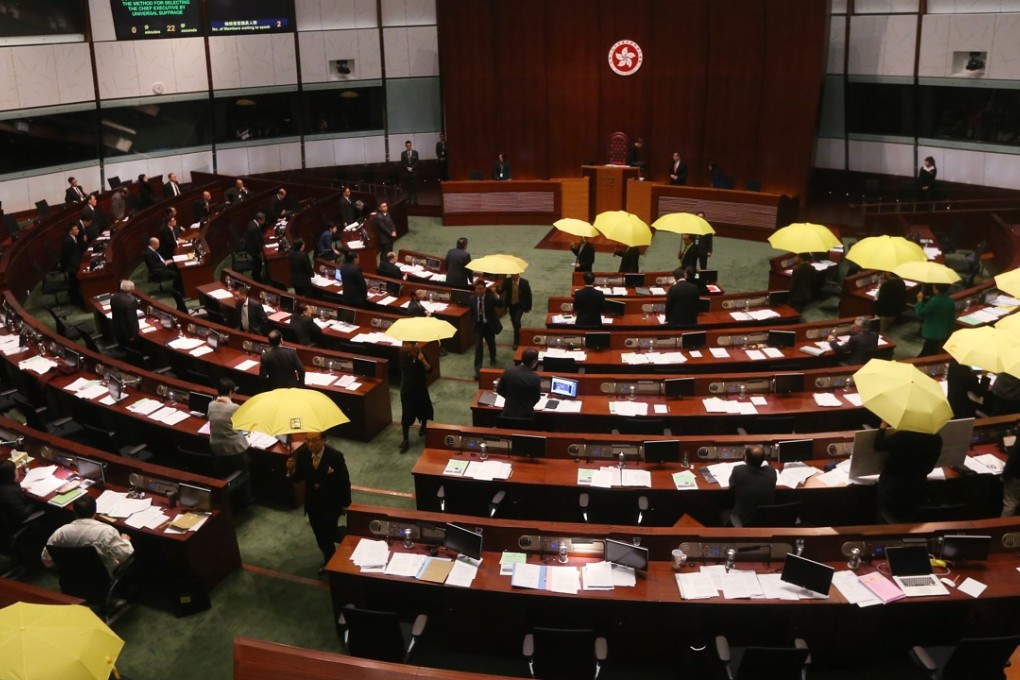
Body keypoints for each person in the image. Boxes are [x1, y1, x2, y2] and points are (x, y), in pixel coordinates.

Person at [286, 432, 351, 571]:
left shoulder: (335, 456)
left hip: (331, 503)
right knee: (320, 536)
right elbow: (298, 478)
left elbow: (344, 481)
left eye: (314, 440)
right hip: (313, 504)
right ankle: (329, 560)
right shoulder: (303, 454)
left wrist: (346, 503)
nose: (310, 444)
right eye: (307, 440)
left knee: (331, 532)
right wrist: (291, 469)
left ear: (323, 441)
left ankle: (349, 537)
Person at [41, 495, 133, 577]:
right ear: (95, 511)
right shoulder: (107, 531)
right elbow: (126, 554)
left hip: (72, 576)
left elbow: (46, 560)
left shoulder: (60, 533)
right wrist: (125, 540)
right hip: (103, 576)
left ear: (74, 512)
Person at [873, 421, 941, 523]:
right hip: (917, 486)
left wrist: (883, 426)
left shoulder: (903, 436)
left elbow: (878, 445)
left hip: (892, 486)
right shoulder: (936, 439)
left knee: (886, 516)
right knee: (909, 517)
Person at [725, 445, 777, 526]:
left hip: (744, 519)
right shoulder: (771, 471)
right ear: (763, 459)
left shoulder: (738, 470)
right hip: (766, 518)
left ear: (746, 459)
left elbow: (731, 489)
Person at [207, 378, 250, 476]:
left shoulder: (211, 405)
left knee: (225, 476)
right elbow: (244, 425)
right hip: (235, 449)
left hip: (217, 449)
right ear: (230, 392)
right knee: (243, 475)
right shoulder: (234, 408)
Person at [398, 341, 433, 453]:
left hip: (420, 388)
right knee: (406, 414)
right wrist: (413, 358)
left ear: (414, 344)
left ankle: (423, 426)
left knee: (424, 409)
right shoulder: (402, 354)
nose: (404, 346)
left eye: (407, 344)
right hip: (407, 389)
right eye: (403, 343)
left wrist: (422, 360)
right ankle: (405, 439)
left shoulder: (421, 354)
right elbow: (406, 368)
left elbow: (429, 370)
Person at [497, 348, 541, 422]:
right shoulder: (535, 378)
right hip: (526, 418)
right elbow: (536, 398)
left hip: (507, 414)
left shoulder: (508, 372)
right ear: (534, 362)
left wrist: (510, 397)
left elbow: (499, 390)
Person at [470, 278, 500, 380]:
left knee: (491, 343)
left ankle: (493, 357)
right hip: (478, 326)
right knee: (478, 347)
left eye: (481, 289)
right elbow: (472, 313)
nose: (479, 291)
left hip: (488, 325)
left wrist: (495, 293)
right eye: (477, 289)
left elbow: (500, 304)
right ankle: (478, 370)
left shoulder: (490, 298)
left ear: (485, 289)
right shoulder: (472, 300)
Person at [915, 284, 955, 356]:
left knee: (926, 353)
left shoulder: (934, 301)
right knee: (933, 351)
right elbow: (952, 319)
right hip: (943, 331)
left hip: (932, 332)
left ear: (936, 289)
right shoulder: (951, 301)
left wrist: (919, 301)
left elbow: (921, 312)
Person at [0, 459, 33, 539]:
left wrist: (19, 487)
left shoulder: (4, 486)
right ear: (10, 474)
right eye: (15, 469)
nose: (17, 470)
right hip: (16, 523)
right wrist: (35, 505)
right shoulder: (10, 494)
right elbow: (22, 515)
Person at [500, 272, 532, 349]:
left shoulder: (524, 282)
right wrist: (498, 288)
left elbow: (528, 295)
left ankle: (516, 341)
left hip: (520, 305)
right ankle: (518, 332)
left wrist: (528, 307)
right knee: (514, 322)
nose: (513, 276)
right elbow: (501, 291)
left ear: (518, 274)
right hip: (511, 305)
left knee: (516, 320)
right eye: (512, 275)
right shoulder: (507, 281)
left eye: (515, 275)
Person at [110, 279, 140, 347]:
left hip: (116, 328)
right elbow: (131, 320)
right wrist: (133, 334)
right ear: (132, 289)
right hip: (127, 333)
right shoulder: (131, 301)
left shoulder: (114, 297)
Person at [60, 222, 83, 304]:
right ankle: (75, 301)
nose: (78, 230)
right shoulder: (68, 241)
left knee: (74, 283)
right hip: (72, 266)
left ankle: (75, 297)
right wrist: (64, 267)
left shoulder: (73, 238)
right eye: (76, 229)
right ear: (70, 231)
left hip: (75, 263)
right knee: (74, 283)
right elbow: (65, 255)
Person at [245, 212, 267, 282]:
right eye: (263, 220)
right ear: (259, 220)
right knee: (258, 265)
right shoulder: (255, 228)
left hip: (250, 247)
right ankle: (257, 280)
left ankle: (255, 275)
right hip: (254, 250)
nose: (264, 222)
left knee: (256, 265)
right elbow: (257, 242)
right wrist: (261, 252)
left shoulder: (251, 223)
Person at [1003, 431, 1020, 517]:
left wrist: (1004, 474)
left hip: (1016, 475)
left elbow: (1014, 457)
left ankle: (1002, 528)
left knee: (1011, 503)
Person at [400, 140, 419, 205]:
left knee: (415, 187)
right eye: (407, 145)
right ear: (406, 146)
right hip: (406, 172)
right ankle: (408, 200)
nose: (409, 146)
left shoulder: (415, 153)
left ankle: (415, 200)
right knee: (408, 187)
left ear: (411, 145)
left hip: (414, 172)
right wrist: (407, 168)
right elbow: (402, 163)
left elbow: (417, 162)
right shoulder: (403, 153)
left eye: (410, 145)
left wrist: (412, 168)